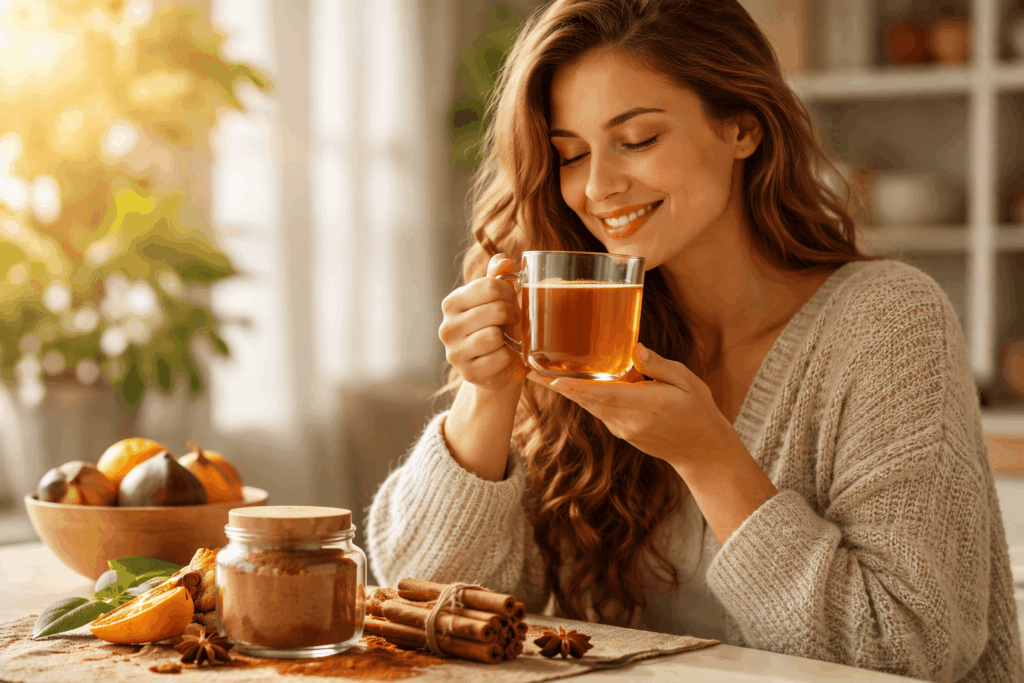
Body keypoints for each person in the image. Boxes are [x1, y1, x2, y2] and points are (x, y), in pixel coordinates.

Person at [367, 1, 1024, 680]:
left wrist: (709, 458)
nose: (597, 187)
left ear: (742, 125)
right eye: (570, 154)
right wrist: (487, 394)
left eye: (638, 139)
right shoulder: (580, 334)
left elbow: (910, 648)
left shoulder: (887, 322)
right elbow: (428, 607)